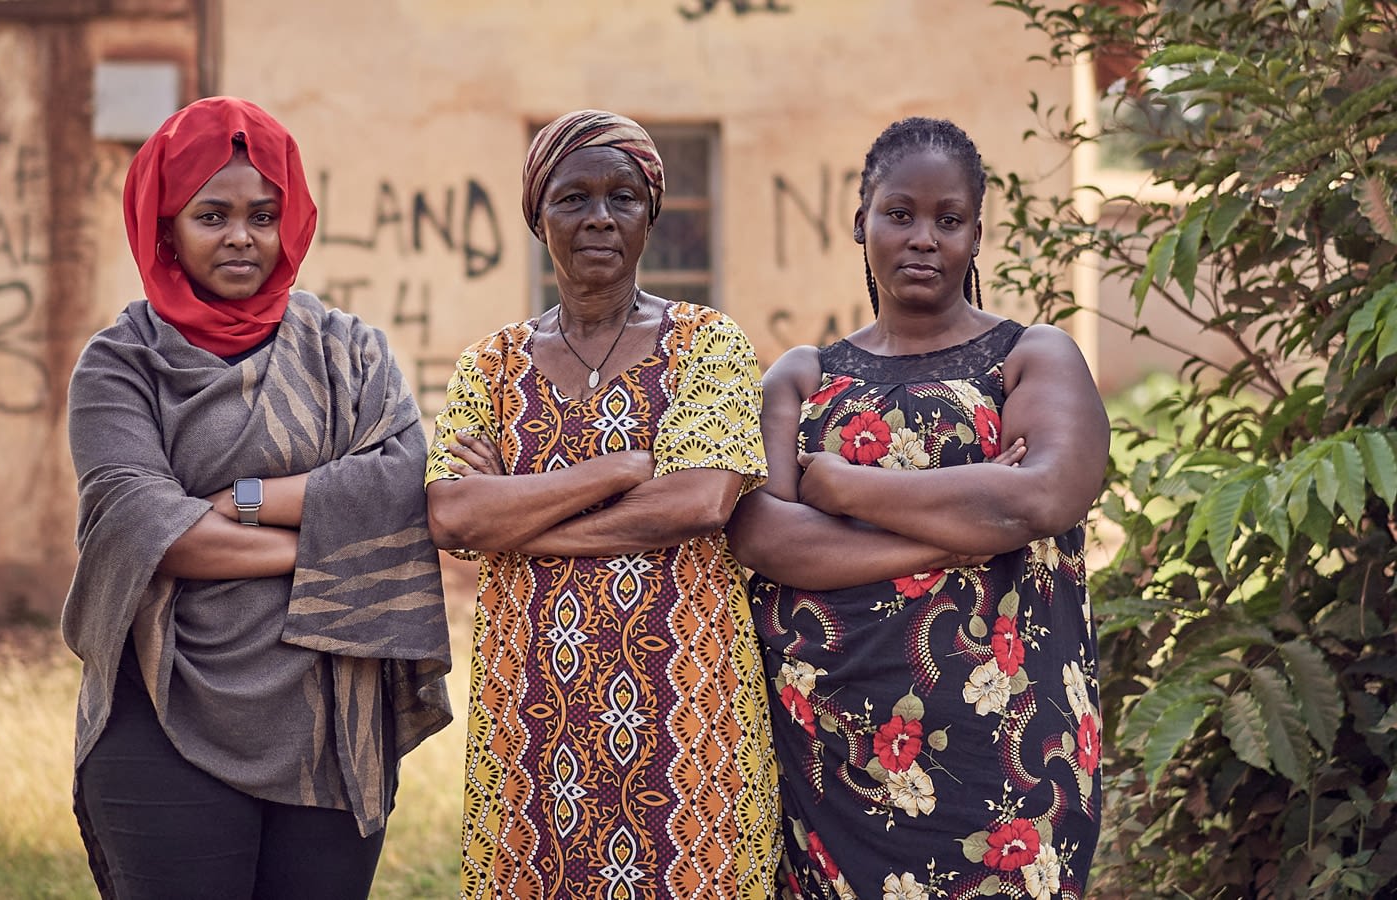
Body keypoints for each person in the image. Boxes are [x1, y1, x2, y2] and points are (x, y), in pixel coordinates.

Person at [61, 96, 451, 900]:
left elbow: (401, 486)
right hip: (162, 719)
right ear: (163, 227)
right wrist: (338, 544)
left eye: (263, 214)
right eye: (212, 214)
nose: (242, 235)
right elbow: (150, 532)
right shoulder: (120, 367)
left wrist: (241, 498)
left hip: (333, 727)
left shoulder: (349, 352)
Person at [728, 117, 1109, 900]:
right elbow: (767, 539)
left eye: (949, 219)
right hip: (829, 757)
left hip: (1007, 753)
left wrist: (844, 490)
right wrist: (966, 527)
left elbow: (1045, 496)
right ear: (860, 222)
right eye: (899, 214)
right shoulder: (802, 379)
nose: (923, 238)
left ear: (976, 233)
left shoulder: (1031, 356)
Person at [425, 109, 782, 898]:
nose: (598, 218)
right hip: (532, 708)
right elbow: (452, 517)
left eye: (623, 197)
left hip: (685, 703)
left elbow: (699, 501)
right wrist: (622, 466)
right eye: (572, 198)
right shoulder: (490, 364)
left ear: (650, 215)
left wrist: (517, 518)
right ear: (537, 216)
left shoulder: (707, 343)